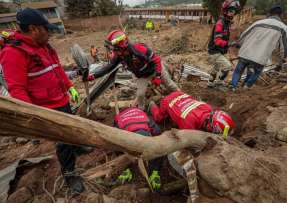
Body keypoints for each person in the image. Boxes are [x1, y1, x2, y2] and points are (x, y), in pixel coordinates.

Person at [0, 8, 86, 193]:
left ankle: (77, 148)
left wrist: (69, 86)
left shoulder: (45, 47)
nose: (49, 33)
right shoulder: (14, 53)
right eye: (46, 29)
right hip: (47, 109)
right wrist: (33, 116)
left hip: (61, 100)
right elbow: (17, 90)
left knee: (73, 127)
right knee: (62, 142)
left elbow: (57, 69)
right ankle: (69, 173)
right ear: (33, 29)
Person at [83, 30, 179, 110]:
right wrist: (93, 76)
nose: (112, 51)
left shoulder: (139, 49)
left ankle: (183, 96)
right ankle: (142, 111)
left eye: (114, 48)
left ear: (121, 46)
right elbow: (108, 68)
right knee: (140, 95)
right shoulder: (119, 55)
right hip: (142, 76)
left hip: (155, 69)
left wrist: (158, 76)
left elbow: (157, 60)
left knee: (170, 84)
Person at [229, 4, 287, 91]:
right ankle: (245, 88)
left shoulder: (257, 23)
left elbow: (244, 35)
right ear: (281, 15)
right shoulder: (283, 28)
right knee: (255, 73)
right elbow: (285, 46)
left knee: (238, 71)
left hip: (246, 52)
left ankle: (233, 86)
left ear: (269, 13)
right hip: (260, 57)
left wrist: (239, 44)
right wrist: (284, 57)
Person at [114, 107, 162, 191]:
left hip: (129, 139)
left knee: (118, 147)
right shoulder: (142, 113)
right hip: (145, 136)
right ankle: (155, 173)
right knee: (157, 149)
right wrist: (156, 137)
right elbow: (157, 130)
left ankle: (127, 170)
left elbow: (113, 133)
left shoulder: (118, 117)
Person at [150, 91, 236, 135]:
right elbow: (185, 139)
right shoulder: (189, 124)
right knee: (159, 118)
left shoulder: (208, 108)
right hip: (168, 101)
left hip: (181, 94)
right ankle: (151, 105)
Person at [207, 0, 241, 88]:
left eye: (233, 12)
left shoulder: (226, 23)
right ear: (225, 11)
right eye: (230, 11)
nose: (232, 14)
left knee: (216, 68)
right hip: (214, 51)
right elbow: (218, 41)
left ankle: (210, 83)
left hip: (218, 51)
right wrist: (231, 44)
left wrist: (231, 44)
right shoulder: (220, 23)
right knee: (227, 66)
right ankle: (218, 83)